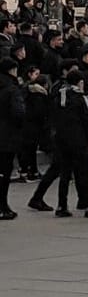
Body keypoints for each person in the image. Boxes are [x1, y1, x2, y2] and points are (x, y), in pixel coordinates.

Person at [48, 70, 88, 218]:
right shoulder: (80, 97)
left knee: (65, 173)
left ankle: (62, 205)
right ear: (80, 82)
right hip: (79, 140)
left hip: (61, 139)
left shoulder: (58, 95)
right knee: (84, 172)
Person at [0, 58, 25, 219]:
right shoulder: (12, 89)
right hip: (7, 136)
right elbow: (18, 113)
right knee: (4, 172)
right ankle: (3, 206)